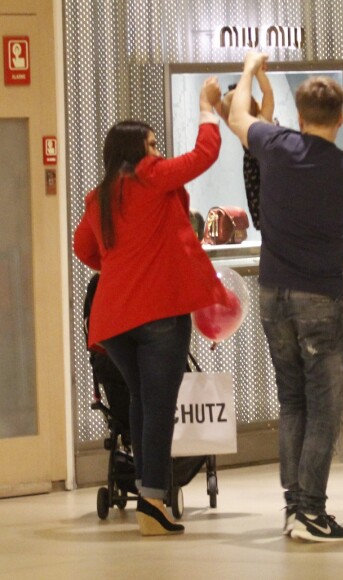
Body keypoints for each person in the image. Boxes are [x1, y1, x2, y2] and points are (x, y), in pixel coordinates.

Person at [228, 52, 343, 542]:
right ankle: (311, 511)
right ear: (341, 119)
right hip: (320, 298)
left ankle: (294, 507)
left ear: (300, 117)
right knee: (324, 408)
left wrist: (250, 69)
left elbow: (238, 113)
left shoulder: (274, 144)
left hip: (271, 294)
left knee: (293, 401)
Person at [73, 77, 228, 537]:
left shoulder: (98, 196)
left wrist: (121, 265)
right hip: (158, 313)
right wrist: (206, 109)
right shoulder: (152, 177)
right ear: (135, 153)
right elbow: (205, 156)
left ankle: (147, 489)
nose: (158, 152)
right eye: (152, 144)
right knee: (158, 406)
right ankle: (154, 503)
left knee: (141, 401)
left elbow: (85, 249)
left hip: (111, 320)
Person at [216, 68, 275, 230]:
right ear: (256, 104)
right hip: (272, 188)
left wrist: (213, 102)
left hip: (263, 197)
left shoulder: (247, 134)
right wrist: (259, 73)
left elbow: (224, 115)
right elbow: (267, 92)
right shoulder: (264, 121)